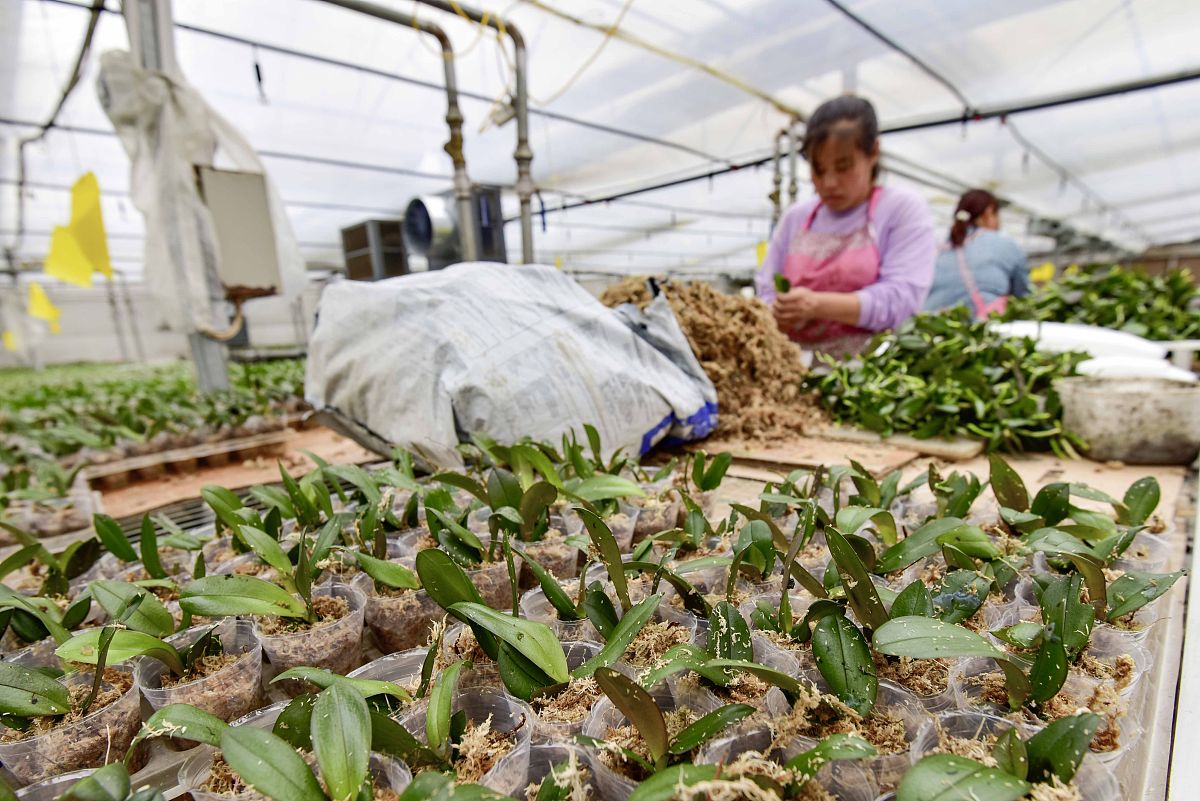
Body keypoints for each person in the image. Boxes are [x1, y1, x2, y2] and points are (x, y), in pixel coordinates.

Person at [756, 95, 936, 355]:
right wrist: (780, 310)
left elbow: (902, 301)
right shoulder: (795, 218)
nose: (829, 182)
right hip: (792, 369)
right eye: (818, 169)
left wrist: (817, 305)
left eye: (843, 167)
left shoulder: (901, 209)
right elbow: (766, 290)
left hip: (871, 372)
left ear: (873, 152)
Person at [923, 189, 1031, 318]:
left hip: (930, 324)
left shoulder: (937, 249)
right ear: (989, 212)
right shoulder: (1004, 244)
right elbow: (1023, 295)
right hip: (980, 326)